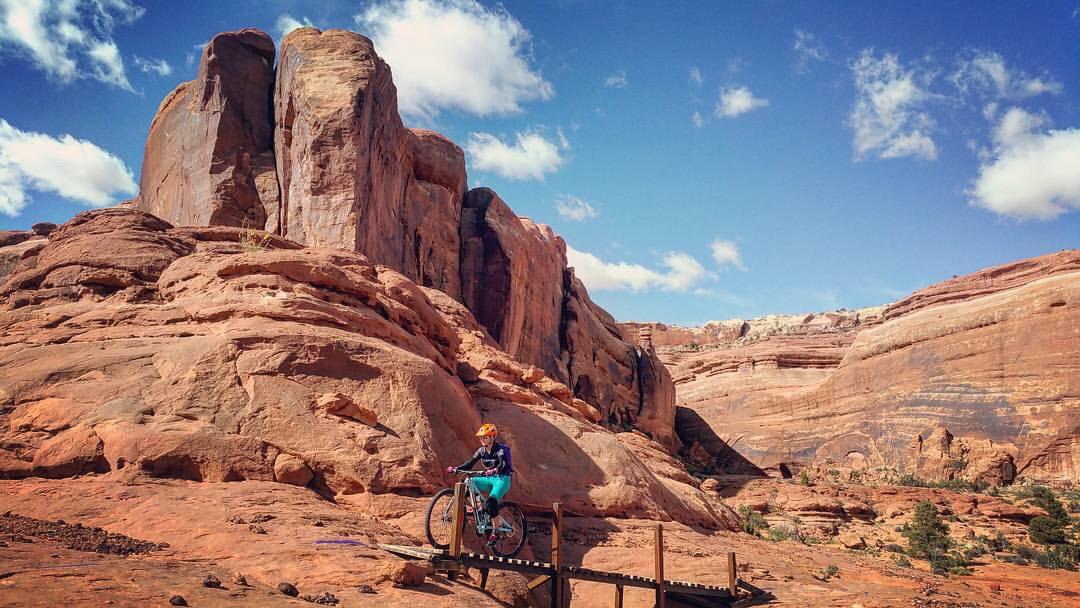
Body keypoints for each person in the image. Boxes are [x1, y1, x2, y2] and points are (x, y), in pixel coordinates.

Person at [447, 423, 513, 545]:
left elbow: (503, 465)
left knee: (491, 502)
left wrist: (495, 470)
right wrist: (457, 468)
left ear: (493, 437)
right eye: (481, 437)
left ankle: (495, 532)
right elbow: (470, 463)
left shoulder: (501, 450)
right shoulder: (481, 451)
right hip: (489, 478)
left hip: (502, 479)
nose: (482, 440)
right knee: (469, 482)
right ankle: (479, 509)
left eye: (485, 437)